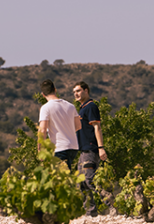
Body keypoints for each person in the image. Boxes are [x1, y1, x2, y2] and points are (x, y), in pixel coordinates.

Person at [73, 82, 107, 216]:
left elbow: (97, 128)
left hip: (91, 149)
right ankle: (90, 212)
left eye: (78, 90)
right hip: (83, 151)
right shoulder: (82, 108)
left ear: (86, 91)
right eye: (74, 92)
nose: (76, 94)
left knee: (90, 181)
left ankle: (112, 205)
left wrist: (101, 148)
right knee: (81, 183)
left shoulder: (91, 107)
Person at [37, 79, 80, 170]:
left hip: (60, 148)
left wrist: (41, 150)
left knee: (60, 180)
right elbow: (78, 126)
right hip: (73, 147)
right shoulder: (70, 106)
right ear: (55, 90)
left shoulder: (46, 108)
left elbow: (42, 130)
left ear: (43, 94)